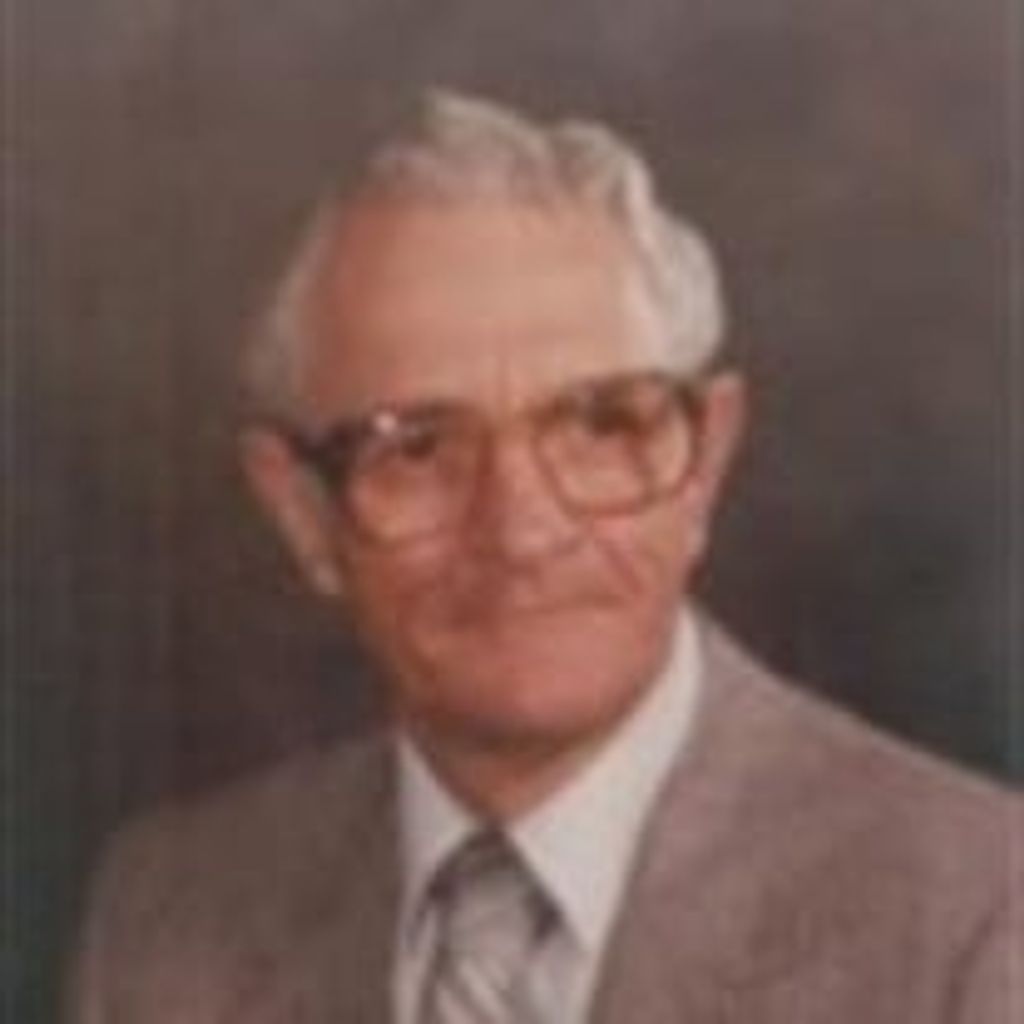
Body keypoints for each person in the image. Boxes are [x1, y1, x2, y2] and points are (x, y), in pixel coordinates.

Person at [67, 90, 1018, 1024]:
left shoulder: (979, 913)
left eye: (601, 426)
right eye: (418, 448)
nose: (520, 533)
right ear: (303, 513)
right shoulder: (162, 920)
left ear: (705, 465)